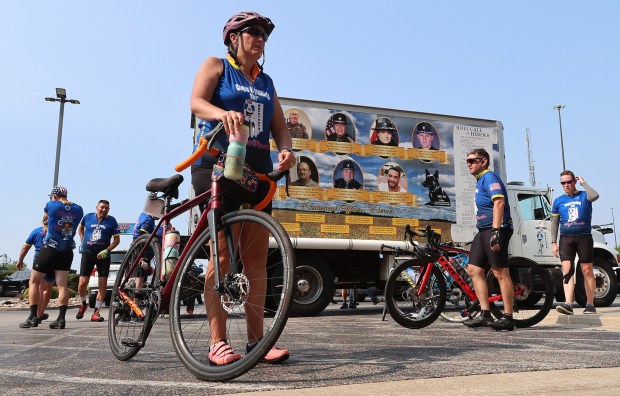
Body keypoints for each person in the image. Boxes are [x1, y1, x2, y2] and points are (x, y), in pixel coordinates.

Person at [189, 11, 295, 366]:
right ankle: (217, 342)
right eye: (253, 31)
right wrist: (221, 114)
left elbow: (280, 127)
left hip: (258, 172)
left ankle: (256, 341)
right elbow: (196, 102)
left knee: (256, 260)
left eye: (264, 33)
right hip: (218, 164)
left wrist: (286, 149)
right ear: (234, 38)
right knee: (221, 255)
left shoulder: (266, 82)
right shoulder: (217, 65)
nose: (260, 37)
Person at [462, 149, 515, 331]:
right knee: (474, 270)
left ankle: (508, 317)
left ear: (483, 161)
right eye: (467, 161)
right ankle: (485, 314)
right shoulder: (480, 181)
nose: (468, 164)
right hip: (483, 229)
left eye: (472, 160)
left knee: (500, 273)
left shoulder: (490, 177)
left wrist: (496, 231)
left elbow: (499, 202)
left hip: (496, 229)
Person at [20, 186, 83, 330]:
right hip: (66, 250)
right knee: (62, 285)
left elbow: (48, 216)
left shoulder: (51, 205)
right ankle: (61, 319)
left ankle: (32, 317)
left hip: (50, 249)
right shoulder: (79, 209)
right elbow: (68, 223)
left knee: (34, 282)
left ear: (54, 196)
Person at [551, 171, 600, 315]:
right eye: (563, 183)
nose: (566, 185)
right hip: (566, 239)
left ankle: (590, 304)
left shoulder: (584, 195)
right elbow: (554, 223)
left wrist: (583, 183)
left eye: (569, 182)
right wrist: (553, 242)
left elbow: (595, 196)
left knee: (587, 270)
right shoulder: (559, 201)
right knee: (567, 270)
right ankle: (568, 304)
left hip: (584, 237)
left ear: (574, 181)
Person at [76, 200, 120, 322]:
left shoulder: (112, 221)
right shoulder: (88, 217)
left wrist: (107, 250)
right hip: (88, 253)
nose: (104, 209)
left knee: (102, 284)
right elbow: (80, 228)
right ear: (97, 207)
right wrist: (82, 241)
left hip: (103, 256)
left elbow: (117, 240)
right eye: (102, 207)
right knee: (82, 283)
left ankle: (96, 312)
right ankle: (83, 304)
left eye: (107, 208)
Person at [16, 214, 55, 323]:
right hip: (54, 258)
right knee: (48, 290)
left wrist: (20, 259)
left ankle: (36, 315)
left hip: (40, 258)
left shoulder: (36, 231)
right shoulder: (57, 232)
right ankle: (40, 313)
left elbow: (25, 246)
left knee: (38, 287)